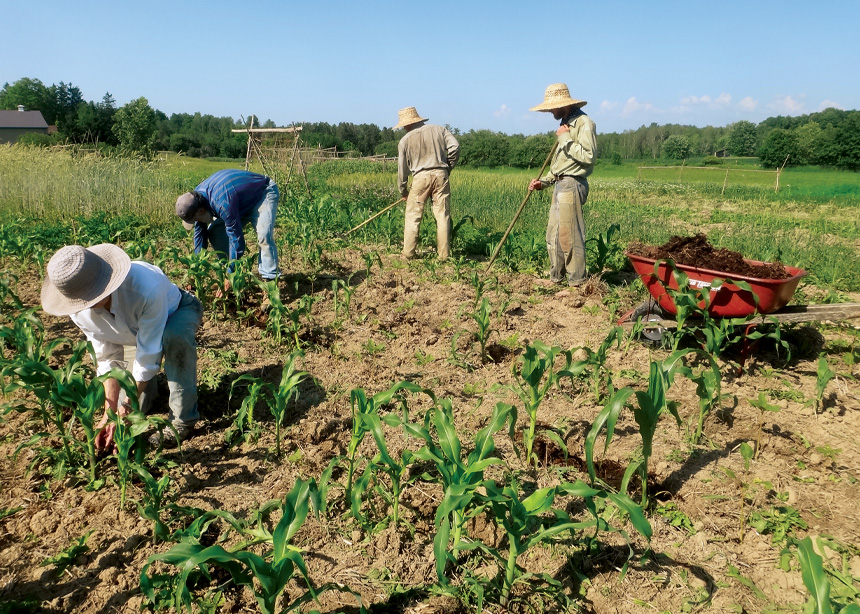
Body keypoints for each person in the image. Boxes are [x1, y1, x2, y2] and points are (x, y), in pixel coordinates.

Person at [41, 244, 204, 450]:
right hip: (131, 334)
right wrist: (110, 413)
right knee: (135, 406)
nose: (84, 305)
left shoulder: (144, 287)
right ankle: (150, 392)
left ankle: (183, 420)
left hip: (176, 312)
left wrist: (127, 406)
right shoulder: (78, 307)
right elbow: (107, 356)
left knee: (174, 338)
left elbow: (148, 355)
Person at [528, 83, 597, 287]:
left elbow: (588, 156)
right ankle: (556, 278)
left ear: (563, 105)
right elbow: (561, 164)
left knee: (570, 236)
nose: (550, 111)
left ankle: (577, 282)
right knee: (554, 235)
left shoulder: (583, 123)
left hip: (572, 184)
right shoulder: (566, 124)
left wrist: (565, 138)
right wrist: (544, 182)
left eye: (552, 107)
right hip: (560, 184)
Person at [175, 169, 281, 280]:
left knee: (264, 236)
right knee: (215, 231)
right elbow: (200, 234)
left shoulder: (222, 203)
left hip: (262, 194)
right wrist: (196, 269)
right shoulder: (195, 199)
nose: (196, 221)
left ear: (201, 211)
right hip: (239, 202)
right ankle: (230, 270)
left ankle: (270, 281)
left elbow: (236, 238)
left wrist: (231, 274)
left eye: (194, 219)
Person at [396, 107, 460, 260]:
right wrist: (448, 167)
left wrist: (403, 191)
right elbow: (455, 147)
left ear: (406, 124)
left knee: (413, 215)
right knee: (442, 215)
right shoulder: (440, 130)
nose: (403, 128)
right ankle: (444, 256)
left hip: (420, 178)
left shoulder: (404, 141)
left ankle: (408, 253)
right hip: (440, 175)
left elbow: (402, 170)